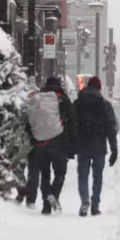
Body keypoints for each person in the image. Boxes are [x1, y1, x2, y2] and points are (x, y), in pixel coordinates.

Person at [26, 76, 77, 215]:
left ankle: (46, 206)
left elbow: (29, 120)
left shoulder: (39, 99)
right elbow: (72, 123)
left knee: (45, 175)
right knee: (60, 174)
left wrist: (33, 139)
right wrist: (73, 147)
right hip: (60, 143)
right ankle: (53, 195)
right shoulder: (64, 100)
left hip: (41, 143)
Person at [74, 76, 118, 216]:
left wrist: (72, 144)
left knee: (82, 176)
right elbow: (110, 127)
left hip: (83, 145)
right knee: (97, 177)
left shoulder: (78, 103)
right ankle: (95, 205)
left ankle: (85, 200)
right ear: (99, 88)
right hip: (99, 146)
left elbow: (72, 124)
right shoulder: (104, 105)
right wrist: (114, 148)